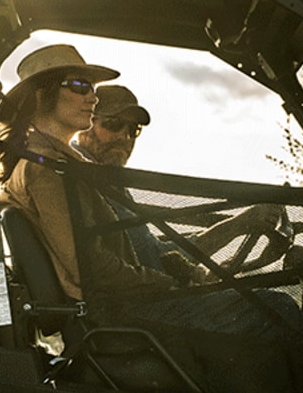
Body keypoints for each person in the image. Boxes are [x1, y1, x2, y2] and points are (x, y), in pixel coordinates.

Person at [0, 45, 301, 340]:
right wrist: (169, 283)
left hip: (129, 307)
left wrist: (182, 274)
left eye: (94, 89)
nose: (92, 96)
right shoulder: (49, 171)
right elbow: (89, 267)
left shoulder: (65, 166)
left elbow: (133, 253)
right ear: (40, 94)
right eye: (79, 86)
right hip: (125, 316)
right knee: (281, 308)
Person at [74, 84, 290, 273]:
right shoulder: (92, 182)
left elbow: (148, 249)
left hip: (136, 295)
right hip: (133, 307)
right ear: (85, 124)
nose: (124, 137)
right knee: (282, 305)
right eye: (113, 124)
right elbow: (155, 261)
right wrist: (240, 224)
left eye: (133, 129)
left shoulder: (110, 182)